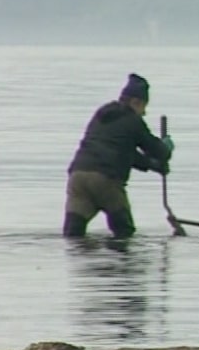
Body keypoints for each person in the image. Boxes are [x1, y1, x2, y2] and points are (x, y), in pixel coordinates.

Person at [63, 73, 175, 238]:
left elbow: (126, 154)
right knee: (124, 234)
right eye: (144, 107)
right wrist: (165, 148)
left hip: (78, 176)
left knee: (73, 235)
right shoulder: (133, 121)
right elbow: (156, 150)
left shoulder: (102, 115)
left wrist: (154, 166)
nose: (144, 113)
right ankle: (120, 262)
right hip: (106, 180)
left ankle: (78, 262)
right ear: (135, 102)